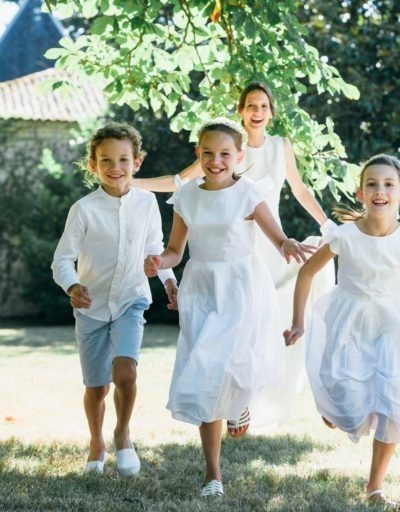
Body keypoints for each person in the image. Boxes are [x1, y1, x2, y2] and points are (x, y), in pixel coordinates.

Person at [135, 82, 333, 435]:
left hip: (268, 249)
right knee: (223, 335)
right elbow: (180, 183)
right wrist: (132, 183)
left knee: (258, 333)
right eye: (250, 105)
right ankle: (230, 404)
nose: (257, 111)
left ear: (271, 112)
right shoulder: (219, 150)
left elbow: (299, 189)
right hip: (219, 250)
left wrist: (325, 224)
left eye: (263, 105)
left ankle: (248, 400)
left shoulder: (277, 147)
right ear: (241, 110)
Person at [283, 154, 400, 504]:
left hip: (395, 323)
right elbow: (307, 272)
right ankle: (334, 408)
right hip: (348, 320)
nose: (379, 190)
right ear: (360, 193)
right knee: (345, 399)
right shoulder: (344, 237)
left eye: (388, 184)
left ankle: (374, 485)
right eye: (371, 184)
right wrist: (298, 321)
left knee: (395, 398)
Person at [144, 118, 313, 497]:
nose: (216, 161)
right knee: (204, 368)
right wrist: (159, 261)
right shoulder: (186, 196)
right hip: (201, 286)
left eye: (224, 154)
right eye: (208, 153)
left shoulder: (249, 193)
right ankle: (213, 475)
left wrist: (287, 245)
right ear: (197, 154)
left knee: (232, 358)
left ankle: (238, 404)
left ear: (239, 156)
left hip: (241, 285)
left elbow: (277, 236)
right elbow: (175, 251)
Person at [51, 122, 177, 477]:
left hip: (130, 300)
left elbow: (156, 250)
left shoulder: (147, 203)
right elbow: (62, 259)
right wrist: (73, 286)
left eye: (123, 159)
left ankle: (123, 433)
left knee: (125, 371)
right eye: (106, 160)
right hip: (91, 309)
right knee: (96, 387)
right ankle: (96, 440)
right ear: (93, 164)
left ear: (137, 162)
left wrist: (167, 279)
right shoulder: (84, 209)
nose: (115, 167)